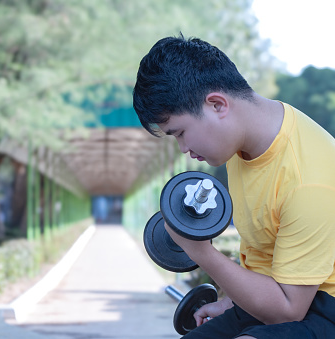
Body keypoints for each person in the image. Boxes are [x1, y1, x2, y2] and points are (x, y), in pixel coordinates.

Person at [132, 33, 335, 338]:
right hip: (284, 291)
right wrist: (230, 305)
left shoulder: (308, 180)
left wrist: (198, 250)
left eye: (180, 132)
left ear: (217, 104)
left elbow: (288, 311)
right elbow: (264, 257)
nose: (183, 148)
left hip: (322, 306)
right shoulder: (241, 143)